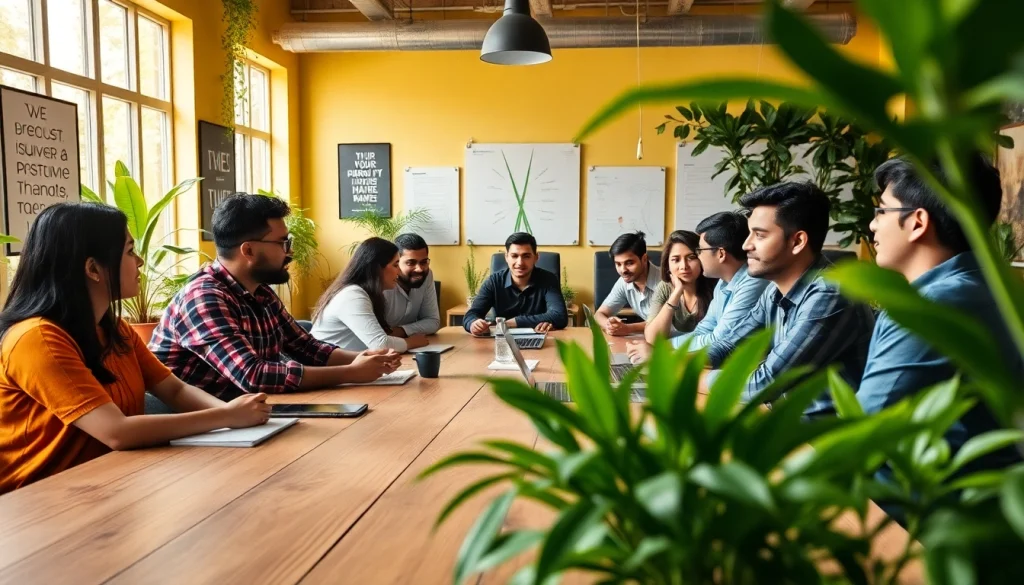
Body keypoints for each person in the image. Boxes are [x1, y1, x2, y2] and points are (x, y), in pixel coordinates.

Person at [0, 203, 271, 494]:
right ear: (93, 268)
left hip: (107, 484)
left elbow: (175, 390)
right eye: (130, 251)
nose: (140, 261)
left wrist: (242, 416)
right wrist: (227, 416)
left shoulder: (116, 329)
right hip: (36, 499)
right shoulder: (37, 338)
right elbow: (116, 432)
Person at [150, 194, 400, 400]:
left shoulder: (260, 291)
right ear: (248, 250)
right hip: (203, 427)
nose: (289, 252)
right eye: (282, 243)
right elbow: (253, 375)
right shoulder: (203, 298)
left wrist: (366, 360)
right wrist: (350, 372)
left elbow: (305, 347)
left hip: (252, 412)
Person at [858, 156, 1021, 471]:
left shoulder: (925, 310)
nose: (873, 224)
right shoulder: (1000, 290)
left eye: (882, 211)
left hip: (923, 494)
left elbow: (860, 432)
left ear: (917, 223)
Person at [703, 182, 875, 417]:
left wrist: (699, 378)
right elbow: (729, 346)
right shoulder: (774, 291)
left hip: (826, 433)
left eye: (759, 235)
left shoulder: (830, 294)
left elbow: (763, 384)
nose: (746, 245)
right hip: (785, 420)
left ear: (797, 242)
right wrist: (682, 364)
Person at [627, 211, 768, 363]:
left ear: (721, 254)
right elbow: (703, 330)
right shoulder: (723, 283)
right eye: (676, 259)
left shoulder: (753, 282)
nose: (698, 257)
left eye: (699, 251)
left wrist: (660, 353)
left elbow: (719, 341)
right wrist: (660, 349)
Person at [311, 237, 429, 352]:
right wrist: (412, 342)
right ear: (377, 268)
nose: (399, 271)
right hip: (325, 364)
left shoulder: (369, 294)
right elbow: (381, 345)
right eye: (395, 265)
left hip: (349, 362)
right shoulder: (353, 295)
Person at [463, 232, 568, 336]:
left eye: (526, 256)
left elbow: (559, 316)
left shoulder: (548, 279)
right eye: (514, 256)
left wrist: (515, 322)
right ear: (506, 257)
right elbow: (471, 315)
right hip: (502, 341)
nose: (520, 263)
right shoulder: (494, 282)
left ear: (536, 257)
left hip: (540, 338)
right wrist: (473, 324)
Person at [642, 230, 716, 345]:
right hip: (682, 350)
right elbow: (652, 339)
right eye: (676, 260)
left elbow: (717, 337)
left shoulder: (716, 286)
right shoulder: (665, 287)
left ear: (701, 258)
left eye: (691, 257)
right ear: (667, 264)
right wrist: (676, 294)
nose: (684, 266)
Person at [593, 231, 660, 336]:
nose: (623, 270)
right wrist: (609, 325)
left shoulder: (665, 282)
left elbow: (665, 324)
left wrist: (628, 328)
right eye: (618, 264)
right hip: (650, 338)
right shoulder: (623, 282)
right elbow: (599, 314)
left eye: (629, 263)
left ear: (644, 259)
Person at [385, 233, 440, 338]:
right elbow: (378, 335)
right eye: (411, 263)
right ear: (396, 263)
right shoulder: (382, 282)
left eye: (424, 262)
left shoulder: (427, 275)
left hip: (405, 344)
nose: (419, 269)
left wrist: (401, 331)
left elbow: (433, 321)